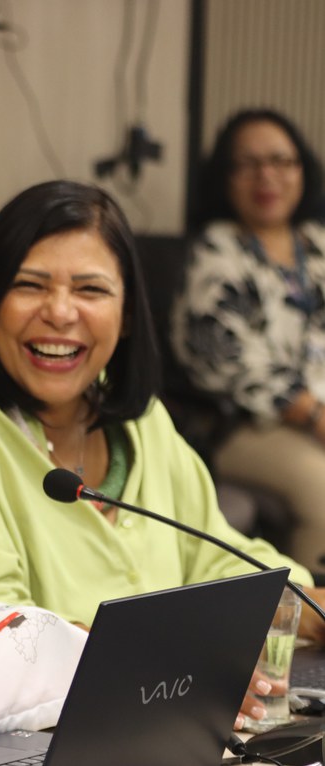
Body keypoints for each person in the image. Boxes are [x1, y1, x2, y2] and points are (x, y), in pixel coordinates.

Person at [0, 180, 324, 729]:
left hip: (146, 720)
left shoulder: (134, 417)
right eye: (29, 285)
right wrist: (181, 665)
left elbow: (215, 559)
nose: (60, 313)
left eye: (90, 289)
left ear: (128, 313)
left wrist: (311, 609)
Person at [172, 109, 325, 572]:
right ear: (225, 178)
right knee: (321, 486)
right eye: (248, 164)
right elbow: (229, 360)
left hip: (316, 418)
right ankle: (308, 626)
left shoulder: (317, 244)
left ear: (303, 169)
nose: (267, 176)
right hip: (243, 427)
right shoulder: (216, 252)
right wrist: (316, 415)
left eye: (281, 161)